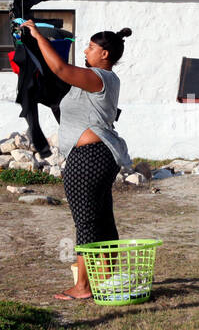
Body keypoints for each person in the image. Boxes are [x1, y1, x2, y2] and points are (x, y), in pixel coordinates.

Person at [18, 21, 133, 301]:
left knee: (86, 223)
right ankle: (106, 279)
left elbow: (60, 68)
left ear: (104, 54)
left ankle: (82, 287)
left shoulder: (101, 78)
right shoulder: (90, 80)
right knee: (102, 220)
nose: (85, 50)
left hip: (89, 158)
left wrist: (37, 35)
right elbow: (56, 78)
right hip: (98, 157)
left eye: (91, 47)